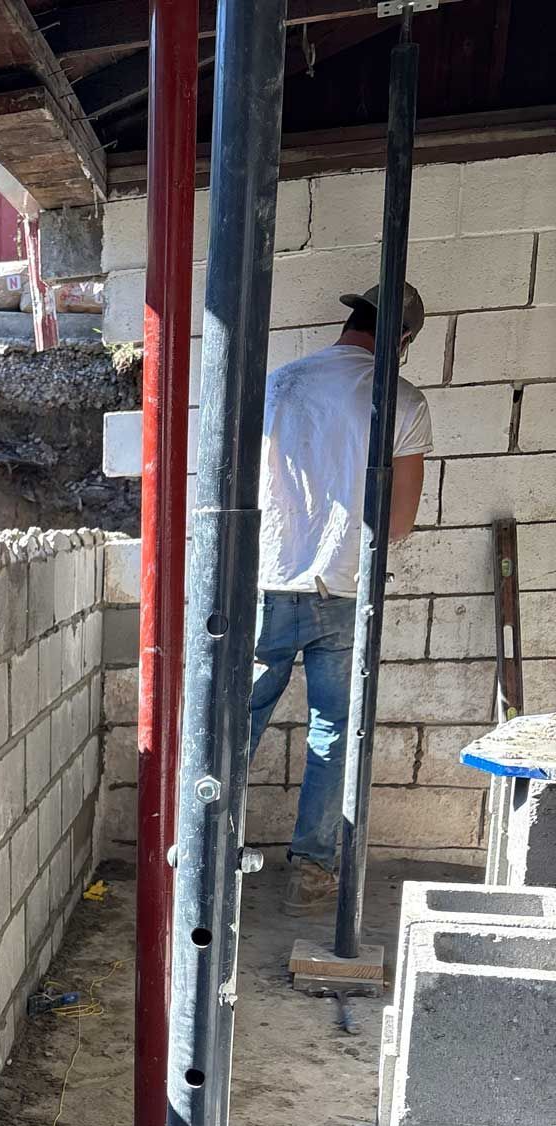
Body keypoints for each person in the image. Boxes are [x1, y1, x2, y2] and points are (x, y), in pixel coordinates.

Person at [251, 282, 432, 912]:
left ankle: (201, 856)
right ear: (401, 341)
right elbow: (399, 524)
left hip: (265, 582)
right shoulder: (402, 402)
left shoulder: (280, 383)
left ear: (351, 319)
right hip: (342, 587)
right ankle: (311, 872)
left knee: (233, 724)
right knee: (334, 733)